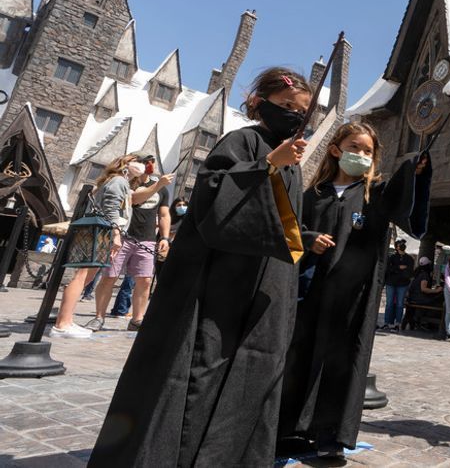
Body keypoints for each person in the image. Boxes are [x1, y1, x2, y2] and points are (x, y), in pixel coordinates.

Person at [88, 67, 311, 466]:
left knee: (252, 376)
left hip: (265, 288)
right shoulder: (243, 140)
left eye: (303, 110)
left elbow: (282, 223)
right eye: (287, 106)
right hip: (222, 285)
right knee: (201, 373)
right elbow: (211, 200)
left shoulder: (294, 163)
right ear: (261, 104)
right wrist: (265, 167)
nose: (296, 115)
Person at [275, 121, 431, 461]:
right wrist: (309, 239)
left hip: (352, 296)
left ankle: (330, 435)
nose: (360, 155)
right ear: (336, 149)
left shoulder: (375, 194)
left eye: (367, 151)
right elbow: (290, 231)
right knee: (299, 356)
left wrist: (415, 171)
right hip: (311, 292)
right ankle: (291, 430)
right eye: (355, 147)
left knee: (343, 360)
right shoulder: (312, 195)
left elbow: (406, 205)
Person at [49, 155, 145, 339]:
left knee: (86, 277)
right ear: (126, 164)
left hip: (102, 230)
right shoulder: (118, 180)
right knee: (82, 276)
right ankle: (62, 324)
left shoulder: (121, 182)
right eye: (137, 160)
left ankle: (66, 320)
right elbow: (111, 207)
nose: (141, 164)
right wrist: (116, 233)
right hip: (101, 231)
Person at [87, 155, 173, 331]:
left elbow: (164, 214)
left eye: (151, 163)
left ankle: (137, 320)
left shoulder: (161, 188)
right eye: (145, 162)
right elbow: (135, 199)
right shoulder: (128, 182)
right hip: (123, 235)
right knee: (109, 276)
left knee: (145, 280)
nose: (149, 166)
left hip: (147, 238)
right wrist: (158, 185)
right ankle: (99, 317)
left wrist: (164, 237)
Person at [381, 238, 413, 331]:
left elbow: (409, 271)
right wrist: (399, 267)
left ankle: (397, 323)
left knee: (399, 304)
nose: (401, 247)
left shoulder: (409, 258)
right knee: (389, 303)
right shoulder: (392, 257)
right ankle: (387, 323)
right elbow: (388, 269)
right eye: (399, 245)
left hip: (402, 284)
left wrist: (398, 270)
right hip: (391, 283)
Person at [403, 256, 443, 330]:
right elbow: (423, 289)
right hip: (419, 298)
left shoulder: (416, 273)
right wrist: (436, 291)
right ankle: (425, 321)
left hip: (412, 297)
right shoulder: (424, 275)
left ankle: (418, 320)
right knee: (436, 300)